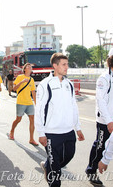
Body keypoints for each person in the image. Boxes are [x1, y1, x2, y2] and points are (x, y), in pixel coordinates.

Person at [35, 53, 85, 187]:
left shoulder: (69, 84)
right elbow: (39, 110)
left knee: (69, 155)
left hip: (68, 131)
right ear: (55, 66)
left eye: (67, 64)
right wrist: (41, 133)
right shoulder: (45, 85)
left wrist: (78, 127)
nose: (67, 67)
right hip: (51, 133)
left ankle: (48, 166)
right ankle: (52, 172)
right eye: (64, 64)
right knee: (56, 171)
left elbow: (73, 106)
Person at [85, 45, 113, 185]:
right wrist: (109, 121)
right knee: (100, 147)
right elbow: (101, 101)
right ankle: (91, 171)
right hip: (106, 122)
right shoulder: (104, 79)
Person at [8, 63, 38, 146]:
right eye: (28, 66)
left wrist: (36, 103)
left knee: (32, 119)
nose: (30, 67)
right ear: (24, 69)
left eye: (30, 67)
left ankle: (31, 139)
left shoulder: (31, 79)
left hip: (29, 103)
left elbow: (33, 92)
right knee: (18, 119)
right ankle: (12, 131)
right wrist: (22, 82)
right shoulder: (20, 77)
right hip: (21, 102)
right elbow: (14, 88)